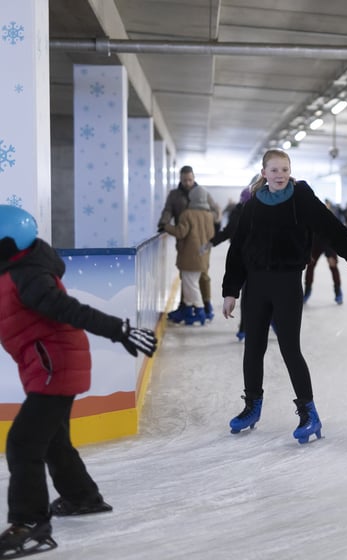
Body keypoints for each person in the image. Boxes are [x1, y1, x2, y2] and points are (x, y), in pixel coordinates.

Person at [0, 205, 157, 555]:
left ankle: (30, 524)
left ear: (8, 242)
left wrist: (119, 330)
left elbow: (69, 309)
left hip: (55, 366)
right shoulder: (13, 269)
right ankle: (81, 496)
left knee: (23, 443)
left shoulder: (28, 275)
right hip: (48, 363)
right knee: (52, 439)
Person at [221, 149, 347, 443]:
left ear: (290, 171)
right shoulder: (251, 207)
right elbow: (237, 251)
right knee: (253, 347)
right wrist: (231, 291)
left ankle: (309, 412)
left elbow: (334, 230)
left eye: (285, 169)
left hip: (287, 283)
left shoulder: (301, 198)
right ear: (263, 173)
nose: (280, 175)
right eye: (274, 170)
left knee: (290, 348)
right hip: (255, 285)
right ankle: (251, 406)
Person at [158, 165, 222, 320]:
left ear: (194, 178)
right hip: (185, 242)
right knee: (186, 275)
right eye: (185, 180)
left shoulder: (203, 193)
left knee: (202, 275)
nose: (188, 182)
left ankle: (205, 305)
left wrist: (208, 218)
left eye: (190, 179)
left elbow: (216, 211)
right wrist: (163, 223)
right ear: (180, 179)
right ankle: (185, 306)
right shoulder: (174, 195)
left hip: (201, 240)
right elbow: (168, 211)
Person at [205, 186, 252, 340]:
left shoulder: (254, 210)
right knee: (249, 295)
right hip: (244, 258)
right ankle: (245, 327)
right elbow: (229, 231)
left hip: (261, 260)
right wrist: (212, 242)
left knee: (261, 295)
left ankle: (267, 322)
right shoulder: (239, 212)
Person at [303, 234, 343, 305]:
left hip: (329, 241)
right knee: (310, 265)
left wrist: (330, 254)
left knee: (333, 265)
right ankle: (307, 290)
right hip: (315, 242)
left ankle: (338, 291)